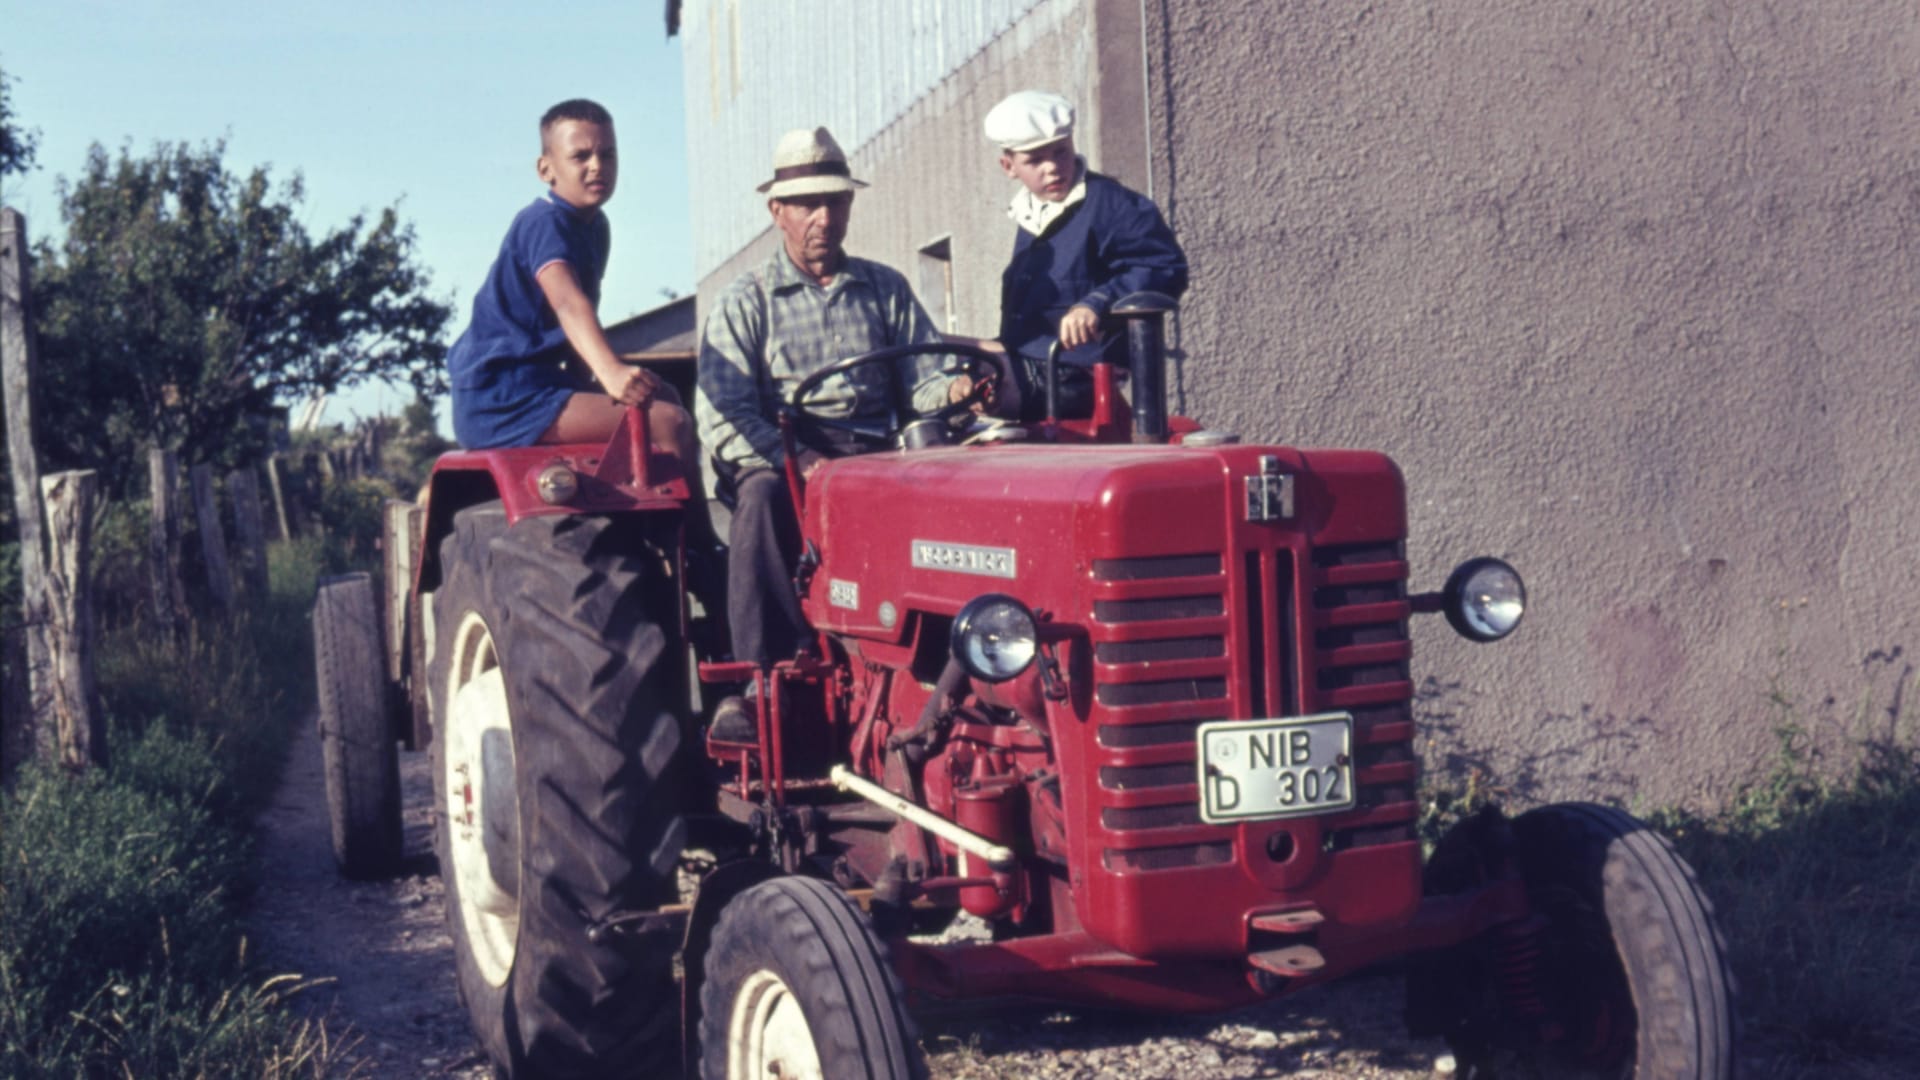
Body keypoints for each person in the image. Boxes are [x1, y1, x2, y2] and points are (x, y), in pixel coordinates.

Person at [696, 126, 968, 738]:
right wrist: (802, 461)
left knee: (955, 483)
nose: (824, 217)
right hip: (786, 451)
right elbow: (725, 415)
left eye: (836, 202)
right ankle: (760, 680)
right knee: (762, 498)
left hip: (877, 450)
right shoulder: (745, 302)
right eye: (808, 205)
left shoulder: (884, 288)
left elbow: (920, 380)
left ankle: (949, 660)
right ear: (777, 213)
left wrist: (951, 391)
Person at [448, 98, 694, 463]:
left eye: (608, 155)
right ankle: (692, 524)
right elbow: (567, 303)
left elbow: (584, 314)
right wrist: (609, 371)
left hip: (543, 384)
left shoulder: (596, 228)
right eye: (580, 157)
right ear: (546, 169)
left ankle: (649, 515)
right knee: (669, 422)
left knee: (668, 398)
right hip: (503, 397)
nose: (597, 167)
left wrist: (589, 381)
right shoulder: (542, 222)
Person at [986, 89, 1188, 420]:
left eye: (1061, 152)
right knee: (942, 361)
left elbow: (1165, 266)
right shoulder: (1027, 214)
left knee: (983, 387)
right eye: (1035, 160)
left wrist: (1096, 303)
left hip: (1080, 372)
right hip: (1031, 361)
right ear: (1008, 166)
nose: (1052, 168)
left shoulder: (1111, 203)